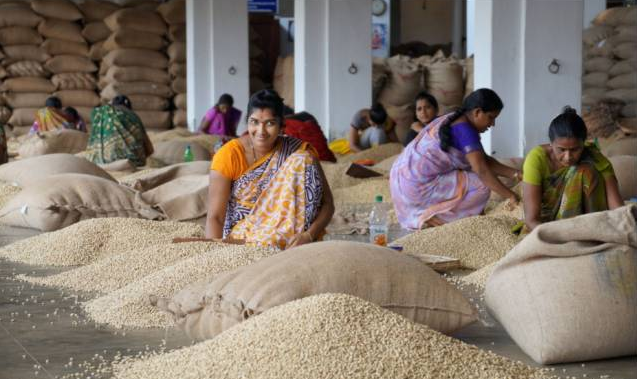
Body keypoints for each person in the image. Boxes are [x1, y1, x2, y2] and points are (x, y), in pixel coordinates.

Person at [207, 89, 334, 249]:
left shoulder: (298, 151)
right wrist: (213, 254)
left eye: (270, 123)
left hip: (295, 237)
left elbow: (328, 204)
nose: (261, 131)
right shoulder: (230, 155)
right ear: (247, 122)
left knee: (302, 159)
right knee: (268, 244)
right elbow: (216, 217)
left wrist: (309, 235)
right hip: (243, 238)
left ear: (282, 126)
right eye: (254, 122)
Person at [390, 88, 521, 229]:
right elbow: (482, 170)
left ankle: (437, 213)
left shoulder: (455, 119)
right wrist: (511, 196)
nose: (492, 124)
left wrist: (517, 174)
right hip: (415, 187)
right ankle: (437, 220)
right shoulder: (465, 131)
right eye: (491, 117)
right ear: (477, 112)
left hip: (400, 180)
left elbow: (484, 160)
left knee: (471, 179)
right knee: (481, 186)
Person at [522, 107, 623, 231]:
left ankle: (590, 230)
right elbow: (531, 219)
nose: (568, 157)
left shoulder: (595, 158)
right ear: (551, 143)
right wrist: (552, 237)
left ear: (584, 144)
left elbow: (617, 209)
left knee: (586, 172)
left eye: (575, 149)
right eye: (561, 149)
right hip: (548, 225)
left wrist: (623, 227)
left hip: (590, 223)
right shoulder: (536, 159)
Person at [84, 95, 154, 167]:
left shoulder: (102, 113)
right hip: (131, 162)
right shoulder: (133, 116)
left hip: (98, 161)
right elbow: (149, 149)